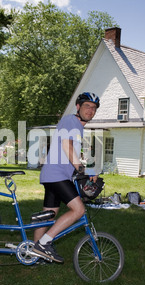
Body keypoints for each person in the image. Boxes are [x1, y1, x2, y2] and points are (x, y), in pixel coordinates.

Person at [33, 92, 100, 263]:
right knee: (78, 210)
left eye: (93, 108)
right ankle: (44, 244)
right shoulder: (72, 121)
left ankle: (35, 252)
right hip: (57, 175)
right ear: (78, 107)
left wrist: (84, 166)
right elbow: (66, 145)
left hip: (53, 175)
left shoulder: (76, 126)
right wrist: (82, 169)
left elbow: (69, 151)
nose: (90, 110)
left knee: (48, 216)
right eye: (87, 106)